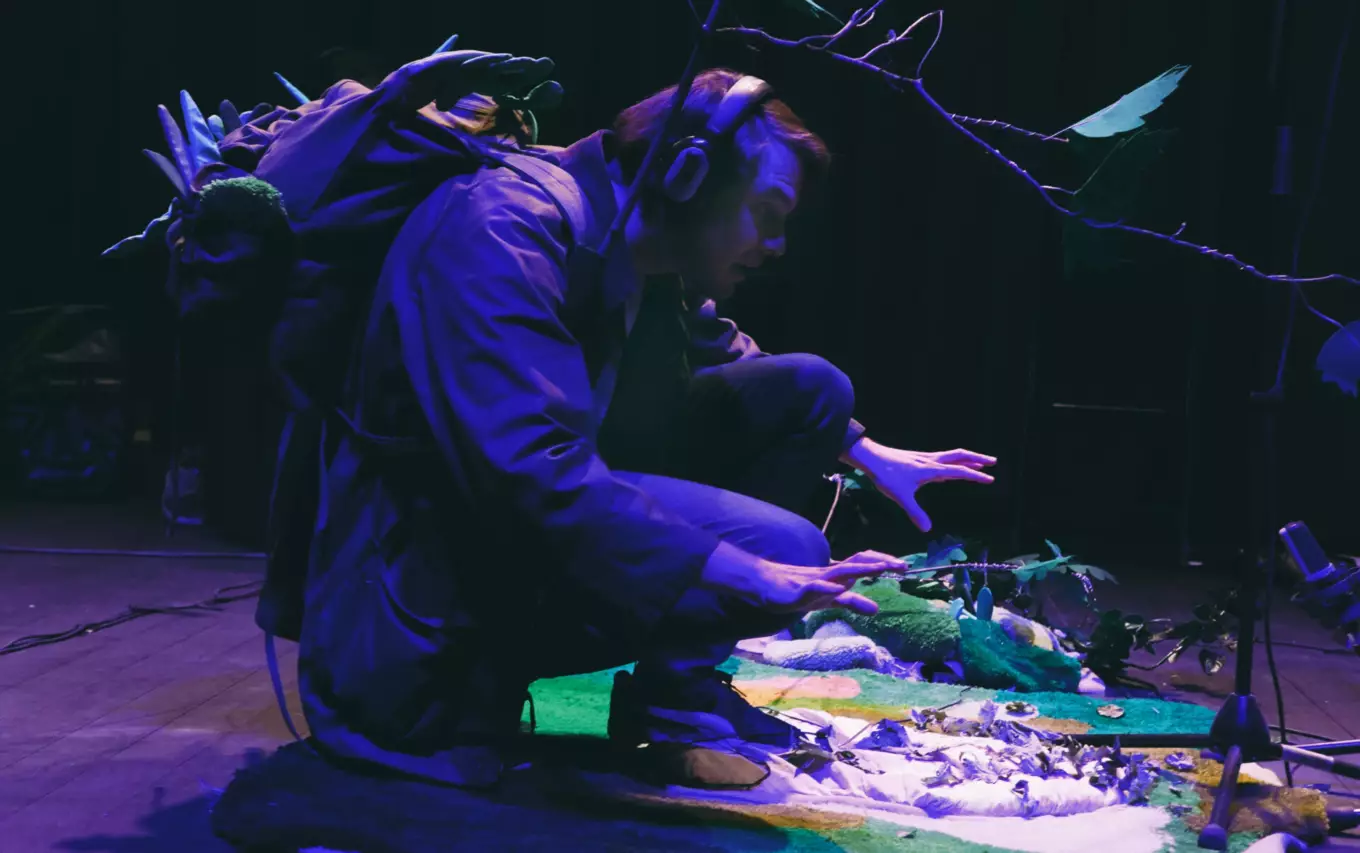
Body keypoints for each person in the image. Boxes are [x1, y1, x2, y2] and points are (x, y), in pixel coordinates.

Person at [296, 67, 997, 790]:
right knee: (775, 552)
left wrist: (865, 448)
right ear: (687, 176)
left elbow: (718, 344)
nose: (777, 243)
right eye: (766, 210)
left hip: (517, 535)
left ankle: (673, 703)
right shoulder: (502, 227)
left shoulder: (641, 241)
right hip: (423, 568)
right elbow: (533, 469)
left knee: (811, 393)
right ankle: (435, 691)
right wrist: (747, 574)